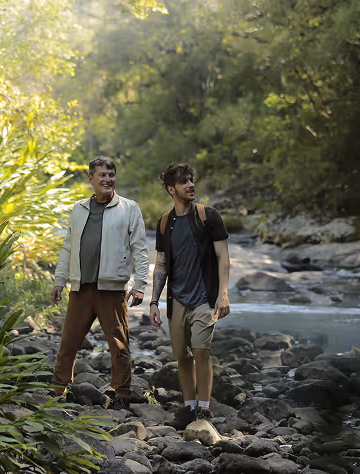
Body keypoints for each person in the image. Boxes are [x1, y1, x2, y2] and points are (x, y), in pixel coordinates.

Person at [52, 156, 149, 411]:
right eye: (102, 175)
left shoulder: (129, 208)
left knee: (119, 345)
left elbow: (140, 248)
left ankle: (122, 394)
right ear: (91, 179)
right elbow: (68, 247)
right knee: (68, 342)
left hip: (112, 289)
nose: (107, 179)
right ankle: (58, 390)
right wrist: (59, 280)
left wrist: (140, 284)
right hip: (81, 287)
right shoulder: (79, 209)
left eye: (111, 174)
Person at [149, 162, 231, 428]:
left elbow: (223, 257)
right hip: (177, 300)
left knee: (201, 351)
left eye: (192, 180)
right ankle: (189, 406)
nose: (191, 185)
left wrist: (223, 294)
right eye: (184, 182)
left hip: (205, 299)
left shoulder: (208, 216)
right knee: (181, 356)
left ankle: (204, 410)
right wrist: (154, 301)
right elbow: (161, 264)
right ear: (172, 189)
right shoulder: (164, 223)